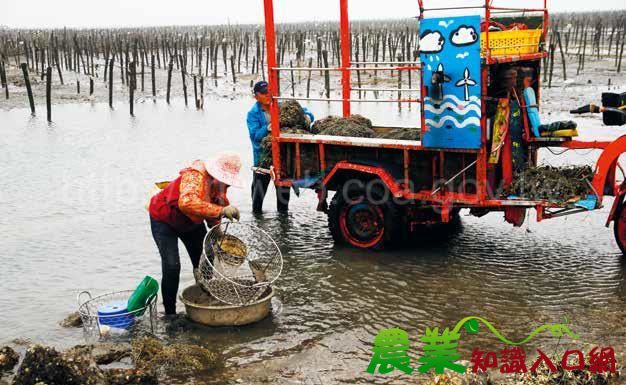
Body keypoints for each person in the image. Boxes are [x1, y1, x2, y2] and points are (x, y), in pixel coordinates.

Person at [148, 152, 242, 315]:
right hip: (164, 219)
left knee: (207, 256)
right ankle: (170, 314)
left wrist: (217, 232)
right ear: (215, 173)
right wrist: (221, 211)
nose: (226, 184)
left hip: (191, 222)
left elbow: (215, 205)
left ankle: (205, 296)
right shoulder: (195, 176)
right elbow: (187, 203)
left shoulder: (220, 185)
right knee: (172, 266)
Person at [247, 80, 314, 213]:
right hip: (263, 160)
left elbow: (305, 112)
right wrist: (268, 128)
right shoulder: (253, 114)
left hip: (282, 158)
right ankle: (257, 222)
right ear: (256, 96)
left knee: (283, 200)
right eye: (264, 93)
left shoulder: (280, 105)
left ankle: (283, 226)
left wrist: (307, 117)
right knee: (257, 199)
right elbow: (255, 136)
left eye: (269, 92)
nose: (267, 95)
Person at [519, 68, 577, 137]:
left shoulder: (529, 92)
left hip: (538, 126)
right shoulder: (527, 93)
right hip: (538, 127)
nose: (530, 82)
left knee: (565, 125)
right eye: (528, 80)